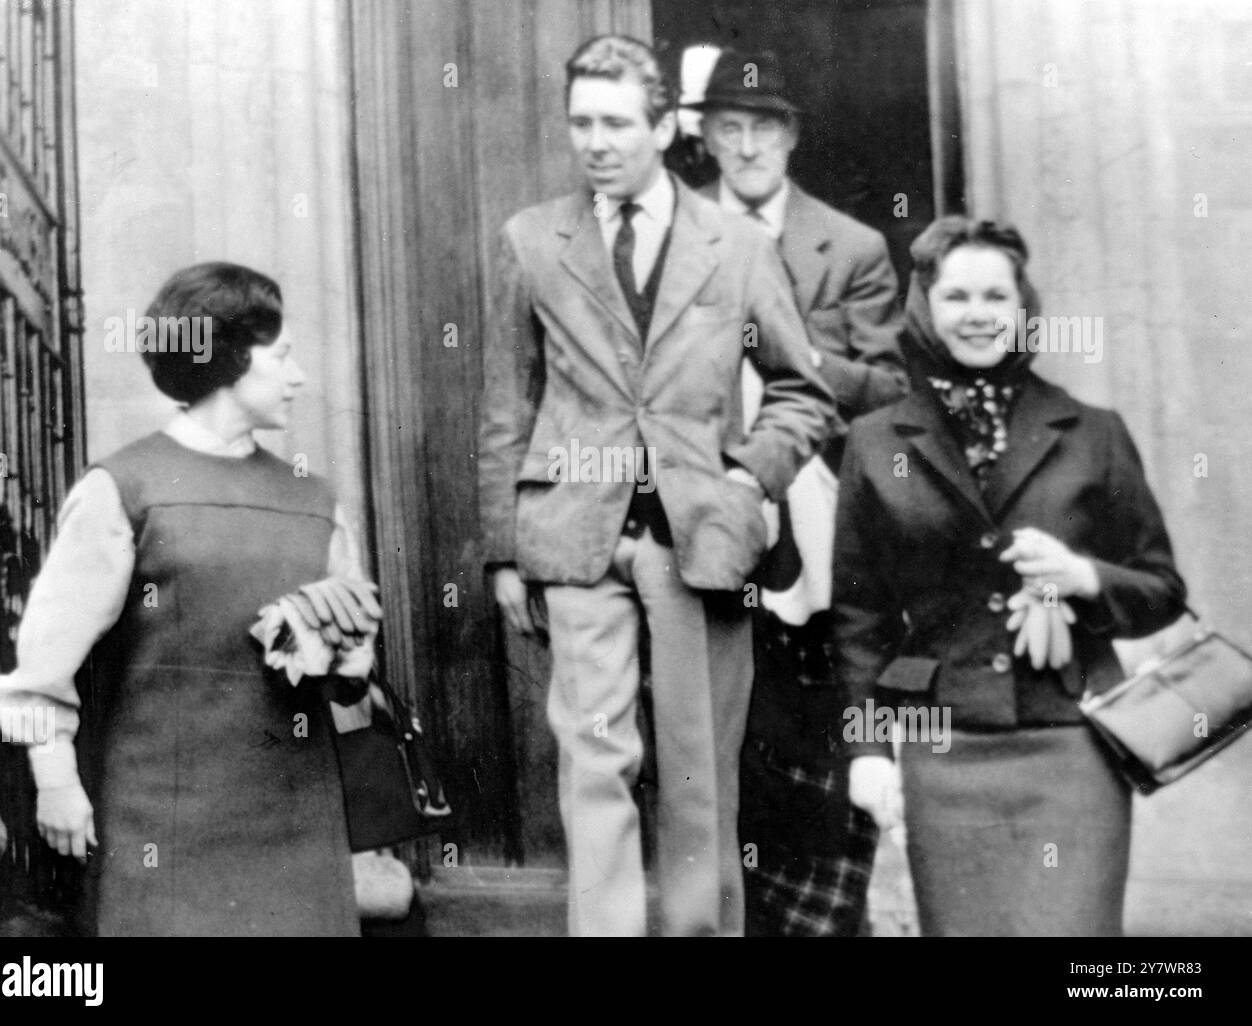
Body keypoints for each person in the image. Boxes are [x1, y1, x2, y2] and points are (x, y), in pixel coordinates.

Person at [478, 35, 837, 936]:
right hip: (574, 533)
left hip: (700, 541)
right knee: (591, 763)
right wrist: (502, 551)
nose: (595, 142)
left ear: (662, 125)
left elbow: (804, 392)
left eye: (615, 123)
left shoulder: (740, 244)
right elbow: (504, 405)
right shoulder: (531, 240)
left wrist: (747, 484)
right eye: (580, 123)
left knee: (696, 768)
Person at [0, 262, 390, 935]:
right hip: (162, 824)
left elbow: (352, 685)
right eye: (282, 357)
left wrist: (346, 664)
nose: (297, 377)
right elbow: (44, 662)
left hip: (298, 821)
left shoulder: (315, 500)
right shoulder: (125, 487)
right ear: (226, 358)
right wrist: (56, 780)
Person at [833, 217, 1187, 936]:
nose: (978, 314)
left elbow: (1162, 591)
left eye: (996, 295)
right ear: (924, 308)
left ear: (1023, 307)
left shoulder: (1093, 433)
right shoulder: (875, 445)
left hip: (1073, 751)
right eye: (956, 296)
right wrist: (869, 751)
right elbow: (859, 623)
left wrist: (1083, 575)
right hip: (944, 751)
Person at [688, 47, 908, 936]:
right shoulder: (672, 228)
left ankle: (821, 916)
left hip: (817, 516)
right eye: (729, 130)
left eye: (763, 129)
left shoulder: (849, 245)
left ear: (791, 137)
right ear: (704, 138)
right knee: (713, 726)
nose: (746, 149)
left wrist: (794, 356)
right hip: (706, 503)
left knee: (811, 727)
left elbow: (891, 387)